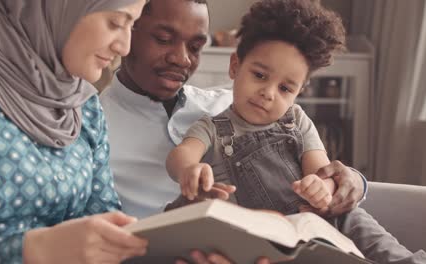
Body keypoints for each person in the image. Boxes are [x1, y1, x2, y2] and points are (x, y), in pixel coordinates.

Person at [165, 0, 426, 263]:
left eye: (285, 89)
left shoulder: (297, 120)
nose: (268, 93)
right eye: (259, 75)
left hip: (318, 220)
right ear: (235, 66)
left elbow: (321, 171)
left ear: (299, 92)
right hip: (268, 235)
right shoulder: (210, 127)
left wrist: (321, 186)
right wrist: (189, 170)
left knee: (361, 225)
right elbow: (181, 154)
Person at [100, 0, 367, 221]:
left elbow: (313, 167)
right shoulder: (92, 125)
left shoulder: (237, 105)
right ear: (127, 31)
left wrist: (352, 181)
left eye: (195, 47)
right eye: (163, 39)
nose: (181, 58)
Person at [0, 0, 152, 263]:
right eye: (116, 23)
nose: (124, 47)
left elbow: (105, 219)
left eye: (132, 25)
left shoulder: (85, 105)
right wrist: (31, 250)